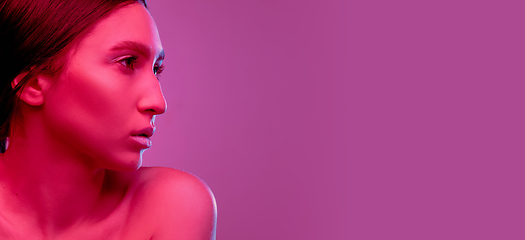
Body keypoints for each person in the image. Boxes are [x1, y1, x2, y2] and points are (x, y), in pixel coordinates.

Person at [0, 0, 217, 239]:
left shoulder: (172, 207)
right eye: (128, 62)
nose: (159, 103)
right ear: (32, 84)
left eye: (157, 68)